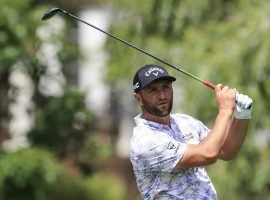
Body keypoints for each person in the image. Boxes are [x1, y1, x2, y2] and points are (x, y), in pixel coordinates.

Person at [130, 64, 253, 200]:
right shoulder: (145, 141)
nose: (162, 95)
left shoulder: (185, 122)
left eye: (166, 87)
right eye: (153, 90)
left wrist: (242, 115)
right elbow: (209, 154)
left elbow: (225, 151)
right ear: (139, 98)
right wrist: (225, 111)